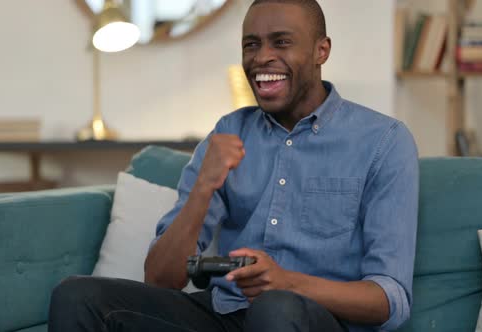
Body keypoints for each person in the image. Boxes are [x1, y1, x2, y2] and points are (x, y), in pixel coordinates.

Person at [48, 0, 419, 331]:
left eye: (282, 42)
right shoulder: (227, 133)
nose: (261, 57)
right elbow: (160, 279)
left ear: (321, 51)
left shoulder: (383, 141)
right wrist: (203, 187)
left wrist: (286, 282)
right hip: (225, 313)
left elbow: (390, 299)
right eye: (251, 45)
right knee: (77, 296)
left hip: (313, 319)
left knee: (276, 309)